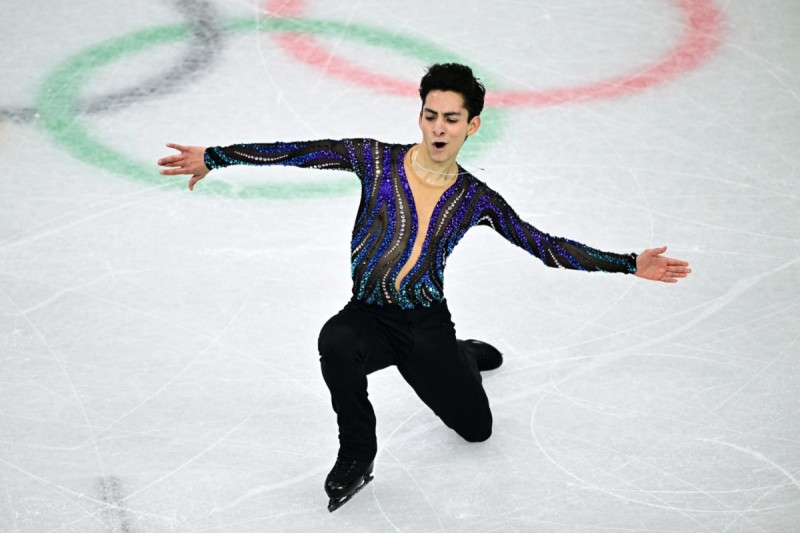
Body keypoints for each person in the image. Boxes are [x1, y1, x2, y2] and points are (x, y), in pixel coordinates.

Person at [157, 63, 691, 512]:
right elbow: (296, 151)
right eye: (430, 115)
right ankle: (356, 454)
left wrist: (628, 264)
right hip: (368, 317)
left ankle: (461, 357)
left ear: (471, 126)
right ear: (420, 116)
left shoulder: (476, 198)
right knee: (335, 342)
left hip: (426, 327)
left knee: (477, 431)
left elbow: (543, 246)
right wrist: (217, 156)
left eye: (451, 119)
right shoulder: (375, 159)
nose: (438, 128)